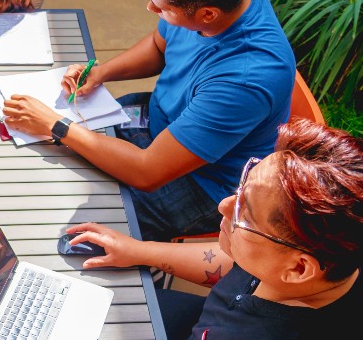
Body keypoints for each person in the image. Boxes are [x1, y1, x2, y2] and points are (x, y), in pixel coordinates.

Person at [2, 0, 296, 241]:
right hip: (159, 123)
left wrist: (55, 125)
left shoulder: (245, 79)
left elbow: (147, 172)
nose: (151, 8)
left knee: (74, 232)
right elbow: (160, 44)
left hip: (201, 183)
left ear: (207, 15)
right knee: (63, 160)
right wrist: (101, 72)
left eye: (161, 6)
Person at [65, 119, 363, 339]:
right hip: (203, 315)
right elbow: (234, 260)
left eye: (245, 213)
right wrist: (139, 251)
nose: (223, 205)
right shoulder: (315, 256)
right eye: (243, 186)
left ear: (298, 269)